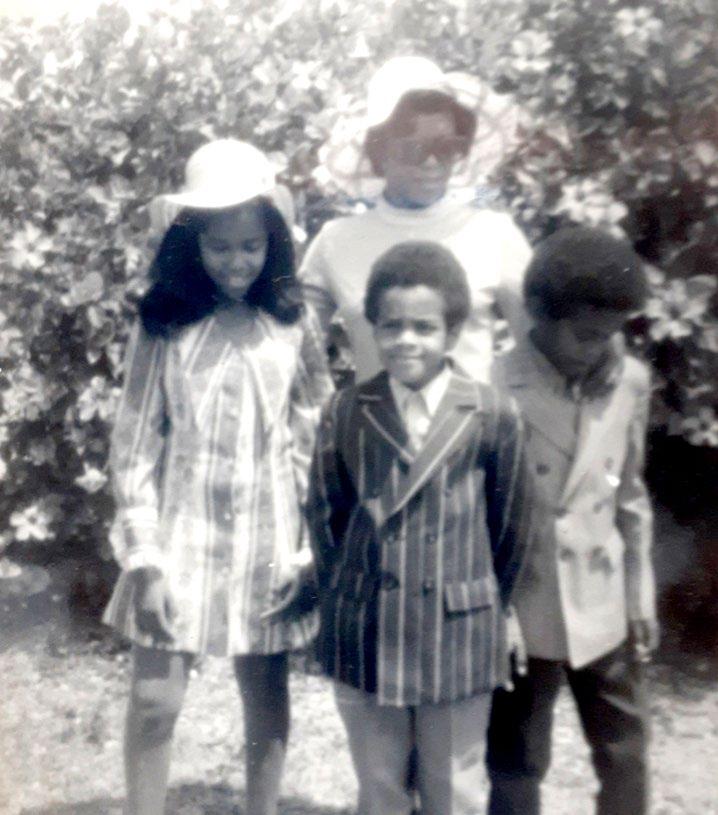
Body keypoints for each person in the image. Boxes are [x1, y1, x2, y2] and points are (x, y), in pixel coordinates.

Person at [102, 139, 334, 815]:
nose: (237, 262)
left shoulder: (291, 323)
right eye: (220, 246)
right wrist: (145, 558)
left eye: (252, 246)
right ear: (191, 243)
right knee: (155, 698)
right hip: (180, 537)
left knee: (265, 694)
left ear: (273, 244)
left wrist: (308, 546)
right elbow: (134, 444)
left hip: (269, 538)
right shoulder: (163, 325)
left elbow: (314, 436)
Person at [306, 241, 534, 815]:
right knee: (379, 784)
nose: (406, 340)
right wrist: (346, 594)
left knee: (453, 787)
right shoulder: (347, 410)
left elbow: (510, 527)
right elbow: (326, 516)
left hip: (456, 630)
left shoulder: (491, 412)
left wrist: (491, 604)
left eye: (424, 327)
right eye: (392, 326)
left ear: (452, 333)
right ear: (373, 329)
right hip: (369, 624)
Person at [486, 226, 659, 815]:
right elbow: (479, 515)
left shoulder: (629, 381)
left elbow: (630, 495)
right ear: (539, 314)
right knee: (516, 757)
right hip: (525, 603)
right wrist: (499, 609)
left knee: (625, 749)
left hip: (602, 597)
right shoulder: (494, 385)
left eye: (612, 333)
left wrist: (639, 590)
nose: (601, 347)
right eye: (587, 335)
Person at [300, 55, 531, 384]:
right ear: (379, 152)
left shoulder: (493, 233)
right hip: (377, 416)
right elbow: (296, 347)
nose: (432, 162)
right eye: (413, 149)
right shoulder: (336, 241)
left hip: (474, 415)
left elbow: (541, 345)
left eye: (446, 147)